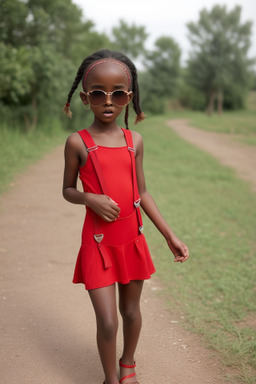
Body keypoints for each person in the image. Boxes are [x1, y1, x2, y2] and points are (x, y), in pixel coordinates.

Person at [62, 49, 189, 384]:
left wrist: (169, 235)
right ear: (85, 98)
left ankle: (127, 366)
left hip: (131, 239)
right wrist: (90, 199)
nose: (108, 101)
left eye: (117, 94)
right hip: (98, 243)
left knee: (131, 312)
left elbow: (141, 193)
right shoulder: (77, 143)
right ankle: (109, 378)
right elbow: (67, 190)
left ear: (128, 98)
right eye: (99, 94)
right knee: (107, 321)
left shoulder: (135, 141)